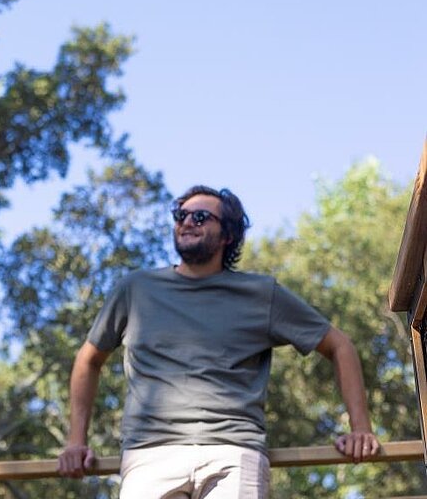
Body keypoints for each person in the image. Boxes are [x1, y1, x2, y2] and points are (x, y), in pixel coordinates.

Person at [57, 185, 380, 498]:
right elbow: (89, 359)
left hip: (233, 452)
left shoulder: (260, 295)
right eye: (180, 214)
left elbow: (340, 345)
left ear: (227, 235)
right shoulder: (137, 289)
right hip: (150, 454)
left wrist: (360, 428)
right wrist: (75, 441)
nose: (186, 222)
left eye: (200, 217)